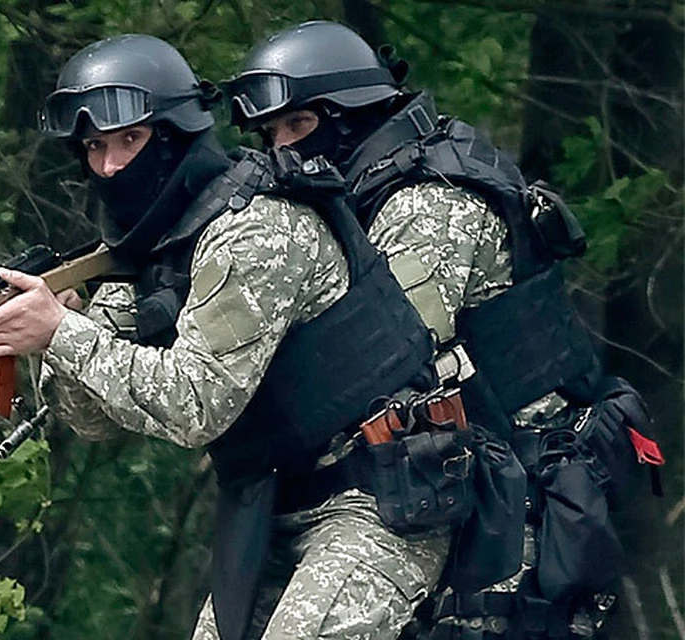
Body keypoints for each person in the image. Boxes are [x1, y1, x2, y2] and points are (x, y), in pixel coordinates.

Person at [0, 32, 470, 640]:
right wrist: (58, 340)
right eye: (94, 147)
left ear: (174, 134)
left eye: (129, 139)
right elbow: (95, 422)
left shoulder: (254, 229)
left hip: (378, 497)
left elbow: (197, 406)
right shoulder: (150, 252)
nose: (110, 166)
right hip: (271, 504)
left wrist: (63, 331)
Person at [223, 20, 665, 640]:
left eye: (298, 124)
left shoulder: (429, 202)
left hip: (510, 503)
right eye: (271, 133)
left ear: (354, 114)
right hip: (437, 490)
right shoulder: (357, 201)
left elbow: (381, 361)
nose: (282, 149)